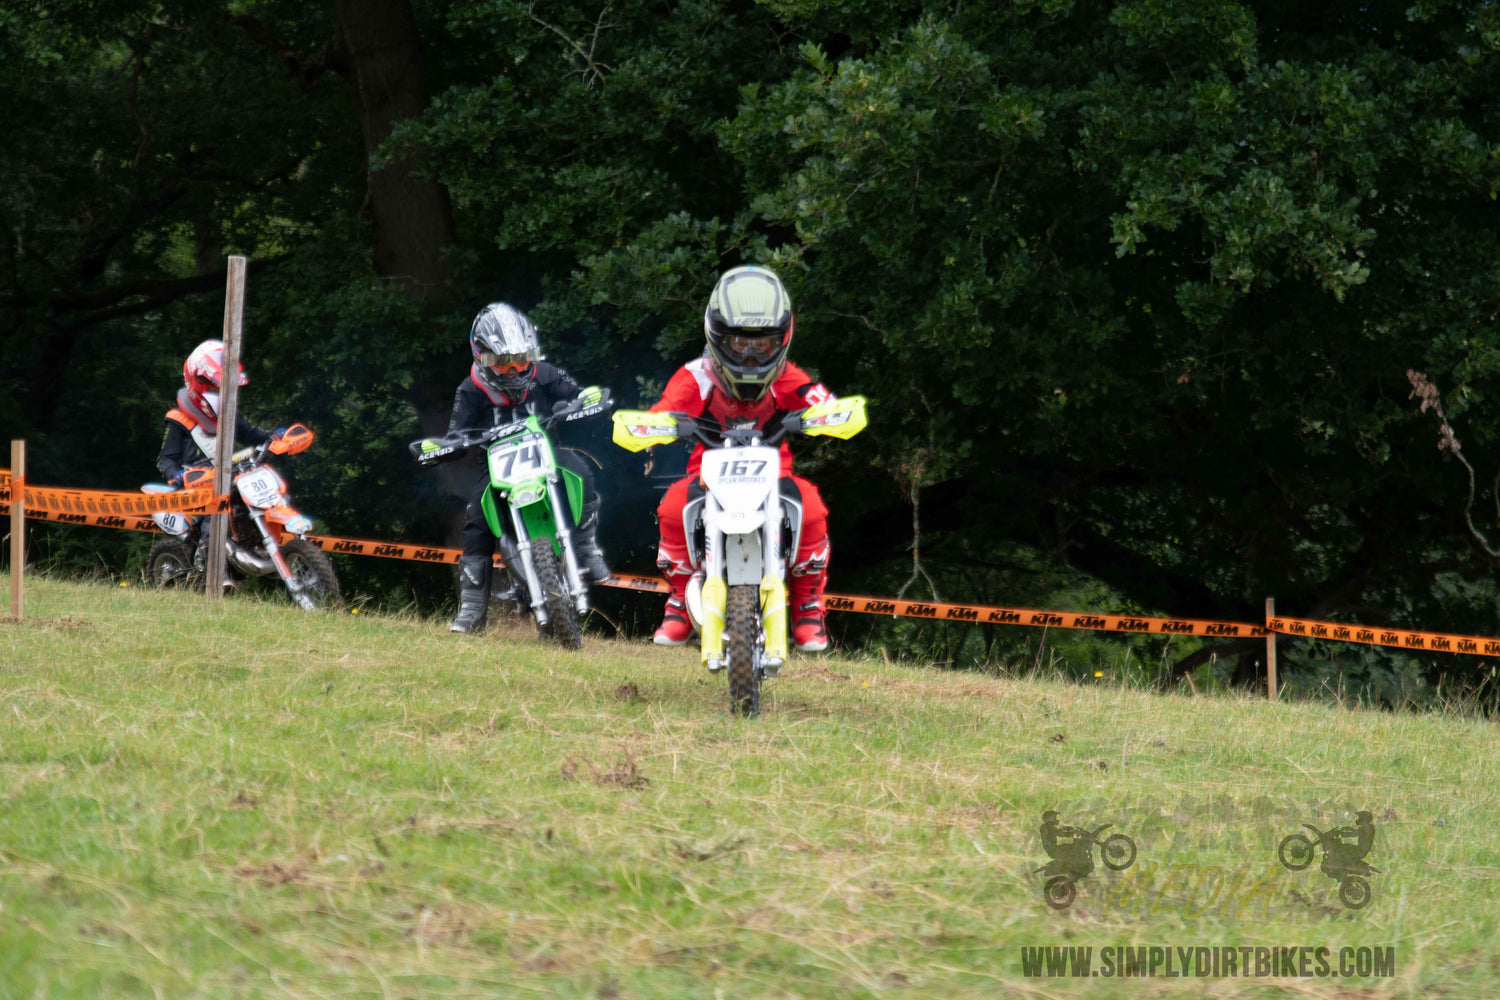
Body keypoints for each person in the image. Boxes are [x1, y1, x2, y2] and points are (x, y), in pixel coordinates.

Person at [648, 265, 838, 651]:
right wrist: (654, 426)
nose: (750, 354)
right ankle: (680, 602)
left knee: (813, 509)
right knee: (671, 508)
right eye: (738, 342)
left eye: (762, 344)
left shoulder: (787, 376)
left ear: (781, 339)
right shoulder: (695, 376)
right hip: (706, 476)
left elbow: (825, 403)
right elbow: (661, 412)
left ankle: (807, 606)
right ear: (717, 336)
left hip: (775, 476)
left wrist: (829, 416)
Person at [437, 302, 610, 633]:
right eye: (502, 363)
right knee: (475, 519)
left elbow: (575, 394)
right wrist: (449, 446)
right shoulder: (470, 388)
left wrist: (585, 400)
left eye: (521, 359)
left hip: (547, 454)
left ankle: (587, 549)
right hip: (498, 467)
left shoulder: (545, 373)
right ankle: (472, 609)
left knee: (583, 473)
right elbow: (455, 432)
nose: (514, 369)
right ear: (481, 357)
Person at [157, 339, 279, 489]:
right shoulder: (178, 419)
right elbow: (166, 459)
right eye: (214, 389)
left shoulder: (229, 416)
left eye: (222, 389)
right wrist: (175, 474)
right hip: (194, 493)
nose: (220, 394)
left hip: (229, 486)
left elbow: (253, 436)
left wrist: (275, 436)